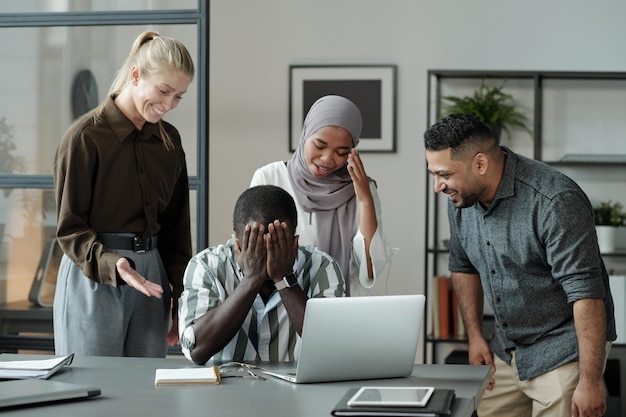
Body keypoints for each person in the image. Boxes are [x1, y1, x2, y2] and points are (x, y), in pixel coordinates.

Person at [423, 113, 616, 417]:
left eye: (444, 174)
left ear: (480, 164)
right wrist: (474, 336)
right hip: (507, 347)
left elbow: (587, 294)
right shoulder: (461, 200)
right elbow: (463, 267)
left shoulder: (554, 200)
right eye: (433, 174)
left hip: (563, 348)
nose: (437, 186)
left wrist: (590, 381)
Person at [53, 31, 195, 357]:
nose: (168, 104)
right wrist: (113, 263)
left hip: (152, 279)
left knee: (143, 394)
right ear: (135, 75)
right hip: (93, 275)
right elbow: (69, 228)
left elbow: (177, 230)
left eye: (178, 96)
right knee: (90, 393)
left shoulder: (169, 143)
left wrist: (178, 298)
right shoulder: (84, 138)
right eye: (163, 90)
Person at [178, 185, 345, 364]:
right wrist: (251, 280)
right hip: (225, 389)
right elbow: (197, 350)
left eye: (276, 245)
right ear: (237, 245)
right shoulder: (207, 266)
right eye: (253, 246)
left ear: (294, 243)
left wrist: (284, 278)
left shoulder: (322, 267)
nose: (264, 257)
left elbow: (332, 348)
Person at [250, 95, 390, 296]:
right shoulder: (269, 177)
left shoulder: (361, 189)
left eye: (341, 152)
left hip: (338, 306)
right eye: (319, 145)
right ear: (305, 133)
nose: (327, 159)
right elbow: (252, 254)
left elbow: (369, 269)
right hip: (278, 303)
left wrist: (365, 200)